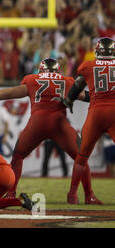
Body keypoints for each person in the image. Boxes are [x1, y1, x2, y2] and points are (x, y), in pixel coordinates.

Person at [0, 58, 99, 203]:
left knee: (18, 155)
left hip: (37, 123)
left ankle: (11, 192)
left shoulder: (32, 79)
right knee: (81, 158)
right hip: (59, 124)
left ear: (40, 70)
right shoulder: (66, 80)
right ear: (57, 71)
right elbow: (86, 96)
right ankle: (85, 195)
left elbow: (11, 93)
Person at [63, 37, 114, 204]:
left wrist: (69, 100)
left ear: (97, 51)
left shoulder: (88, 66)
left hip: (96, 112)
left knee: (82, 156)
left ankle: (72, 195)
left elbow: (76, 87)